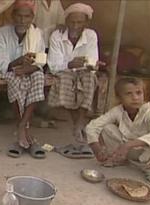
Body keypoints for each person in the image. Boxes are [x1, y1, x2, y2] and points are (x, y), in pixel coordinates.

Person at [85, 77, 150, 184]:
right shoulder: (117, 110)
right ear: (119, 97)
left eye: (138, 93)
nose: (135, 98)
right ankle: (120, 160)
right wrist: (96, 148)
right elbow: (93, 126)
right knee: (107, 128)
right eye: (128, 94)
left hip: (144, 152)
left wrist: (128, 145)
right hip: (123, 151)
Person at [0, 0, 46, 158]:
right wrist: (19, 62)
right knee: (16, 80)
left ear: (32, 18)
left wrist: (27, 68)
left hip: (30, 70)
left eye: (26, 17)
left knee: (38, 78)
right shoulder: (1, 33)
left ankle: (22, 125)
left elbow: (40, 62)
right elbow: (2, 65)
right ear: (12, 16)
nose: (22, 20)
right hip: (9, 70)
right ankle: (24, 128)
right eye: (19, 16)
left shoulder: (37, 34)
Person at [47, 3, 98, 144]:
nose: (75, 25)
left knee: (90, 78)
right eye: (72, 21)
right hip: (63, 71)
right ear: (66, 21)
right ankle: (77, 124)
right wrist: (70, 64)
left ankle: (79, 122)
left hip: (83, 72)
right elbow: (54, 66)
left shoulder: (91, 35)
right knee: (65, 80)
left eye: (79, 22)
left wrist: (90, 66)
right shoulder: (57, 36)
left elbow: (92, 61)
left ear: (86, 23)